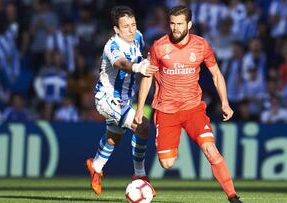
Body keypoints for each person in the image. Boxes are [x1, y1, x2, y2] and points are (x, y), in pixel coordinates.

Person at [134, 5, 242, 203]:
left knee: (211, 149)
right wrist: (141, 107)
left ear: (189, 24)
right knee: (167, 163)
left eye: (179, 24)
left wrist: (225, 103)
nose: (175, 28)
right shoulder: (159, 46)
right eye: (172, 23)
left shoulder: (201, 46)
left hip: (193, 108)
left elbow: (216, 74)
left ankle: (233, 196)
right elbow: (147, 77)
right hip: (166, 110)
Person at [85, 6, 158, 196]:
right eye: (126, 26)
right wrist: (138, 68)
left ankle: (96, 166)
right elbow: (122, 64)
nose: (131, 30)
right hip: (107, 98)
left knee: (113, 137)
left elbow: (144, 56)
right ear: (117, 29)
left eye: (133, 24)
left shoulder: (139, 37)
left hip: (125, 99)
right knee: (142, 125)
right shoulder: (112, 46)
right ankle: (140, 176)